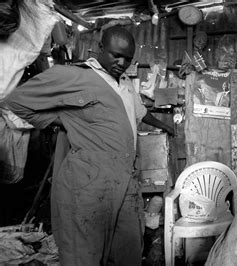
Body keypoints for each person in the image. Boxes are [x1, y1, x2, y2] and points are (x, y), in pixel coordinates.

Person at [6, 26, 174, 265]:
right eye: (116, 54)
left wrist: (166, 126)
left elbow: (140, 113)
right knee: (84, 252)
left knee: (128, 249)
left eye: (127, 58)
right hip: (88, 179)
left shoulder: (125, 83)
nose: (121, 62)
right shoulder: (72, 76)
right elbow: (17, 102)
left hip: (125, 178)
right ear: (100, 49)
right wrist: (60, 122)